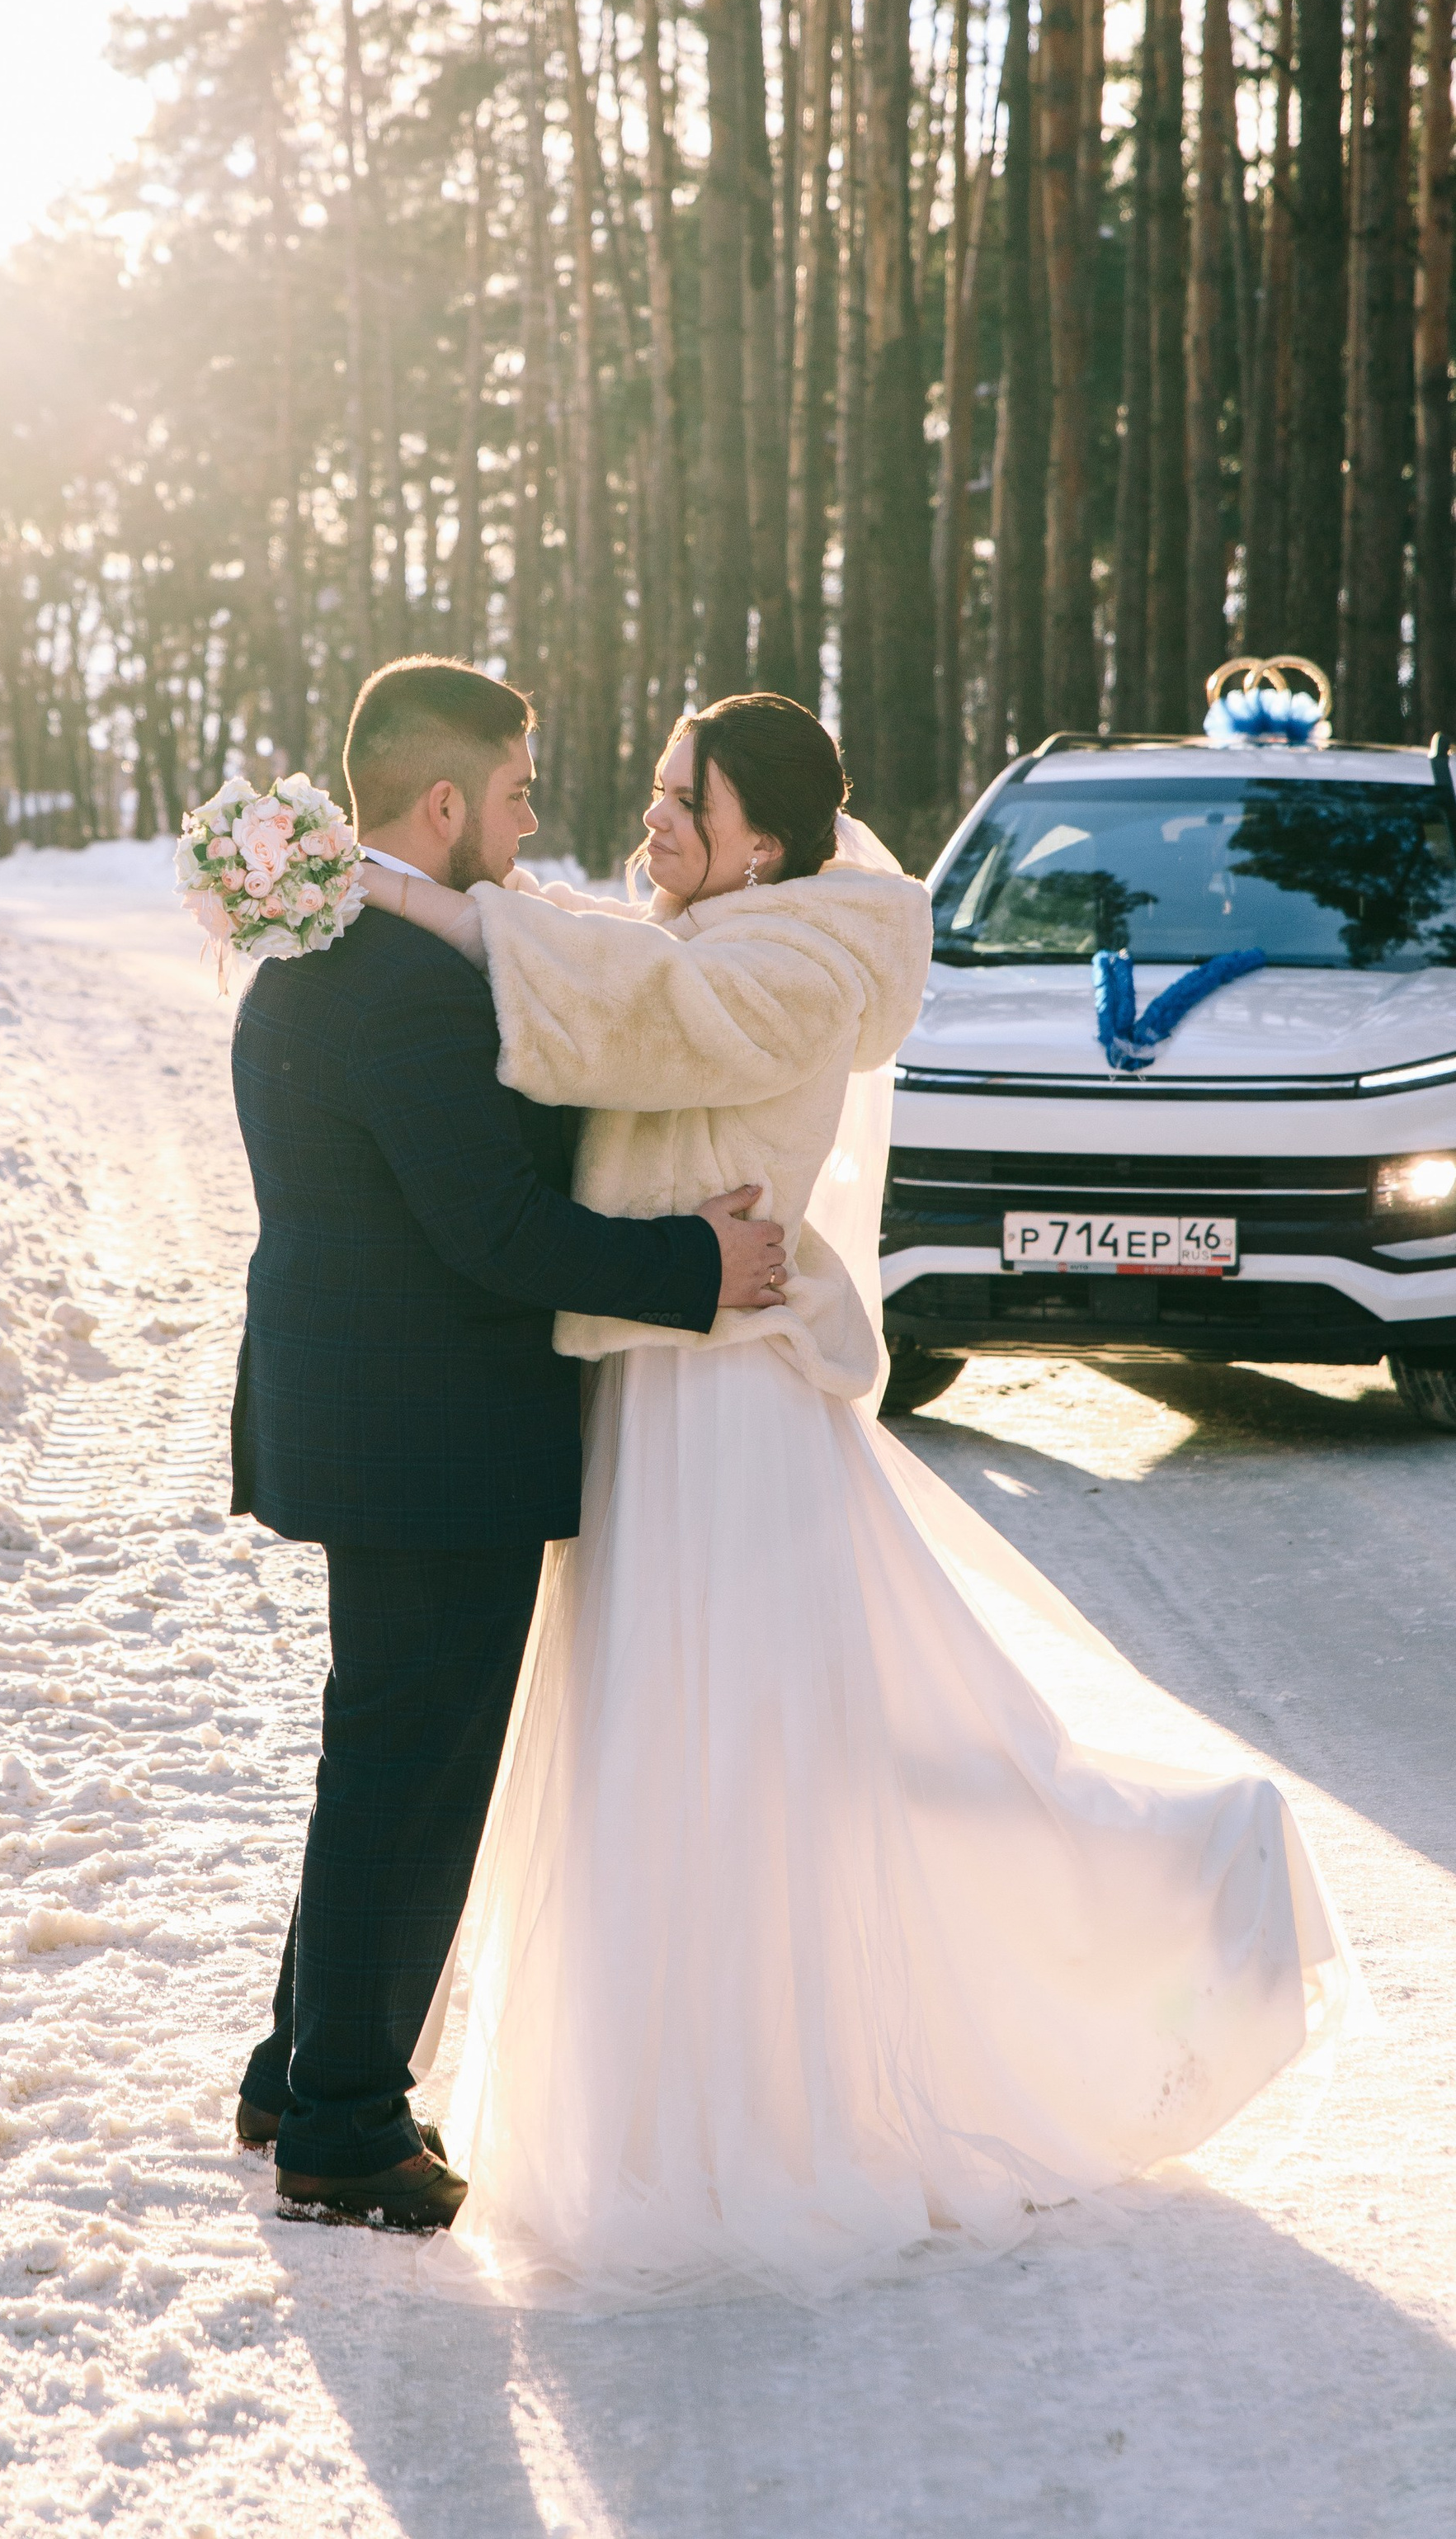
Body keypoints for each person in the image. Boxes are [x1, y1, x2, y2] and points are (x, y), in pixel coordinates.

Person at [361, 690, 1359, 2307]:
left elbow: (624, 1009)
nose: (655, 813)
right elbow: (592, 961)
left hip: (725, 1406)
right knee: (665, 1741)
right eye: (659, 785)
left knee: (776, 1745)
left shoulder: (801, 956)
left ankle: (1189, 1882)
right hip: (650, 1375)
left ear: (763, 832)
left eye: (690, 794)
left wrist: (407, 893)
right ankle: (672, 2077)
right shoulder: (697, 931)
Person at [229, 657, 790, 2231]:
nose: (540, 819)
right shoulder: (404, 988)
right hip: (432, 1440)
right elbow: (497, 1230)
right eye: (522, 790)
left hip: (372, 1419)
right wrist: (698, 1266)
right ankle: (345, 2127)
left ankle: (297, 2071)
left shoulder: (327, 943)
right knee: (413, 1774)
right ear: (446, 801)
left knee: (377, 1755)